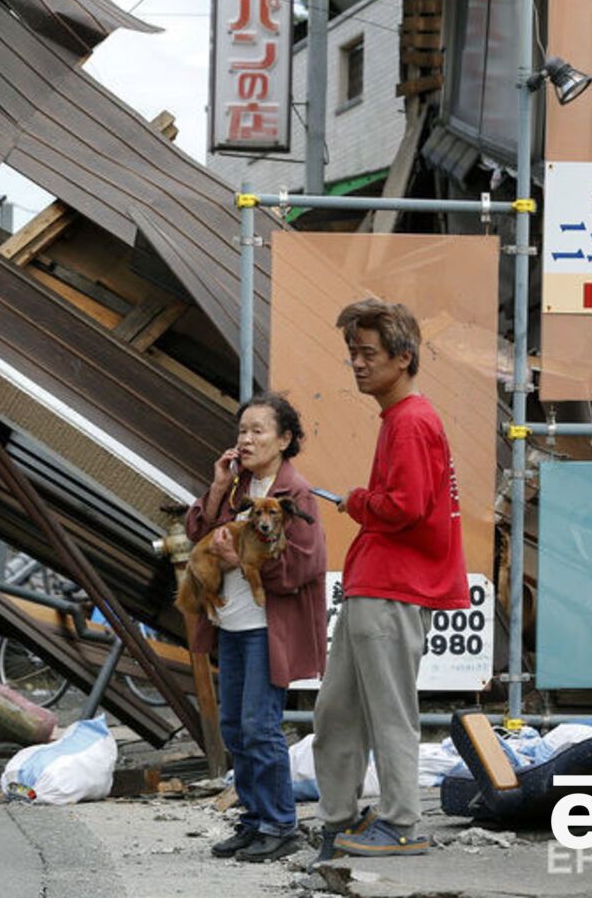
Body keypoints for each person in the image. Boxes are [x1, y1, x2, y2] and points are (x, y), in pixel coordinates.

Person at [312, 299, 469, 861]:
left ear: (403, 358)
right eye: (352, 352)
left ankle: (401, 821)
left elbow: (403, 506)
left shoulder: (410, 421)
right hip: (375, 584)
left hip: (393, 586)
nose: (357, 363)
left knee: (386, 710)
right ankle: (339, 819)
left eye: (368, 353)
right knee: (337, 711)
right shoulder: (403, 419)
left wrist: (356, 501)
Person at [186, 392, 327, 863]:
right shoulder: (234, 487)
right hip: (231, 623)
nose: (246, 439)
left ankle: (279, 824)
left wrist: (239, 561)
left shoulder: (294, 494)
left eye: (258, 431)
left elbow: (305, 565)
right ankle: (252, 821)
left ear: (285, 439)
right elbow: (196, 530)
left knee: (260, 726)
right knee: (234, 726)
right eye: (242, 431)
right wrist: (215, 484)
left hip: (269, 627)